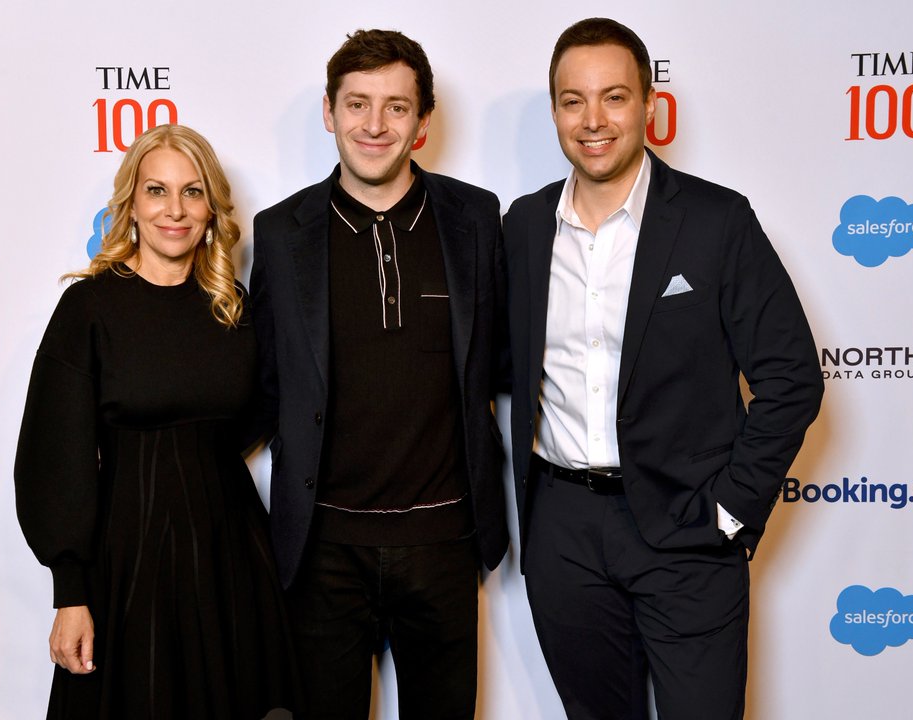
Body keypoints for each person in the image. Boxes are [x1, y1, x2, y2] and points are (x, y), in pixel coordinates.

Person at [503, 18, 824, 720]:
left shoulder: (717, 220)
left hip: (687, 531)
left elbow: (792, 375)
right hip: (563, 534)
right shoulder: (521, 227)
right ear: (555, 110)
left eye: (614, 97)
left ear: (648, 104)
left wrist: (731, 507)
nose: (593, 121)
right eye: (572, 100)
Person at [250, 29, 508, 720]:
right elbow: (263, 385)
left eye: (396, 107)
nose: (374, 124)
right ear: (330, 113)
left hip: (445, 544)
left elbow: (509, 358)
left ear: (423, 122)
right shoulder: (280, 233)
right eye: (357, 104)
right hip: (323, 553)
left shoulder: (476, 219)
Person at [14, 123, 298, 719]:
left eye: (192, 192)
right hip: (126, 558)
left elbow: (263, 408)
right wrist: (71, 593)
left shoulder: (234, 307)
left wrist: (200, 461)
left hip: (231, 555)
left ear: (211, 208)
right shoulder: (89, 308)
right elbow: (53, 453)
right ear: (132, 205)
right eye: (157, 191)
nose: (175, 209)